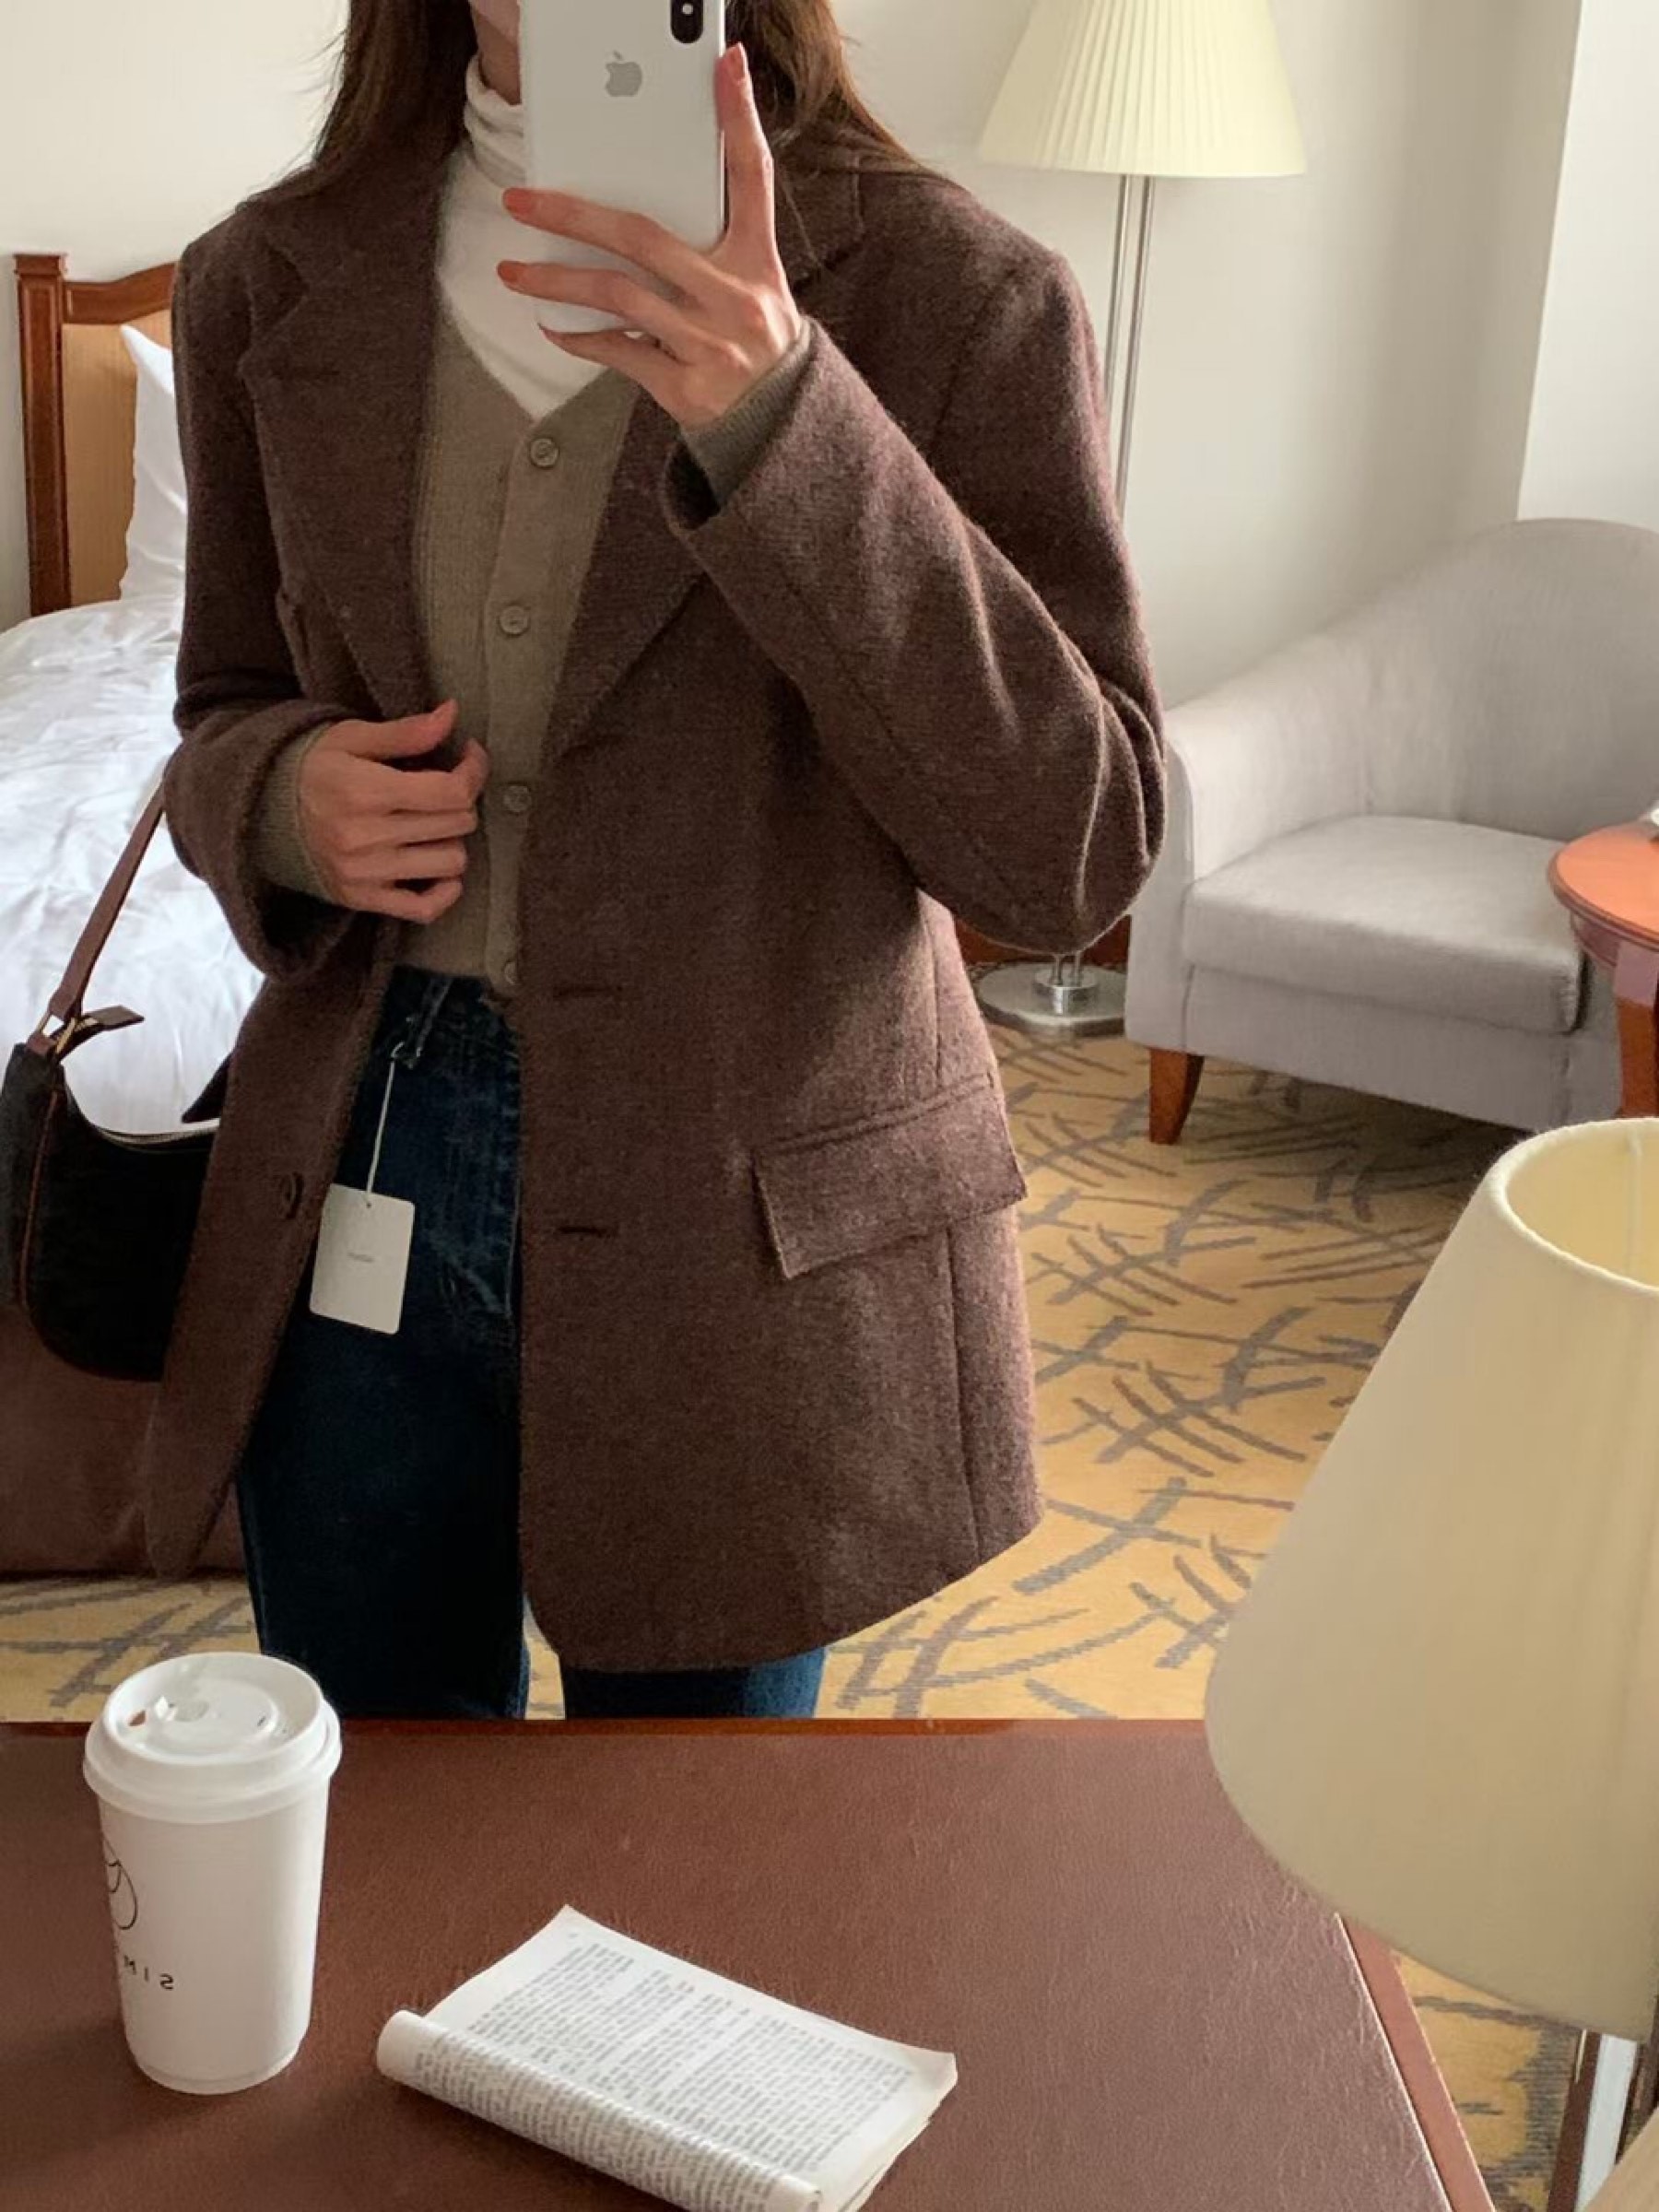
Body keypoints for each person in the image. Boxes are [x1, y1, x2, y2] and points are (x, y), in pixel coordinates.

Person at [142, 0, 1165, 1723]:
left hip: (746, 1206)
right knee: (382, 1811)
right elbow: (220, 706)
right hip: (361, 1158)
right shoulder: (265, 280)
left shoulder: (956, 295)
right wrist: (278, 796)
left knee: (691, 1851)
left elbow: (1071, 849)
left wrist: (785, 415)